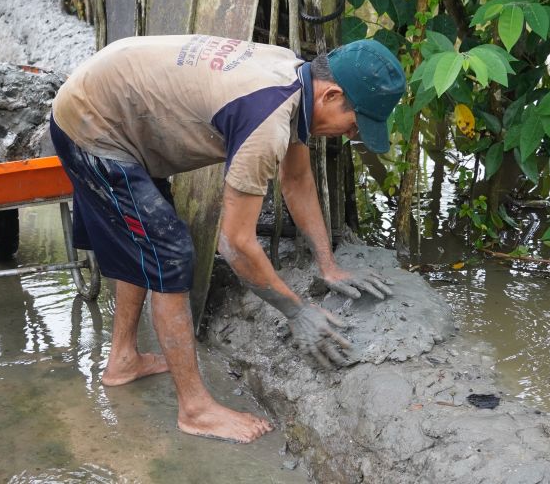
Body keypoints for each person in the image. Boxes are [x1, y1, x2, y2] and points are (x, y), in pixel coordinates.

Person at [50, 34, 406, 443]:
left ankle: (124, 359)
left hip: (117, 103)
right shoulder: (267, 120)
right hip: (93, 123)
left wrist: (329, 265)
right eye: (355, 123)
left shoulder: (294, 78)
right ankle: (195, 410)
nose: (349, 133)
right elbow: (235, 243)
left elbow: (296, 178)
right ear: (331, 95)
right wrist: (296, 312)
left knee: (146, 237)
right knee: (169, 252)